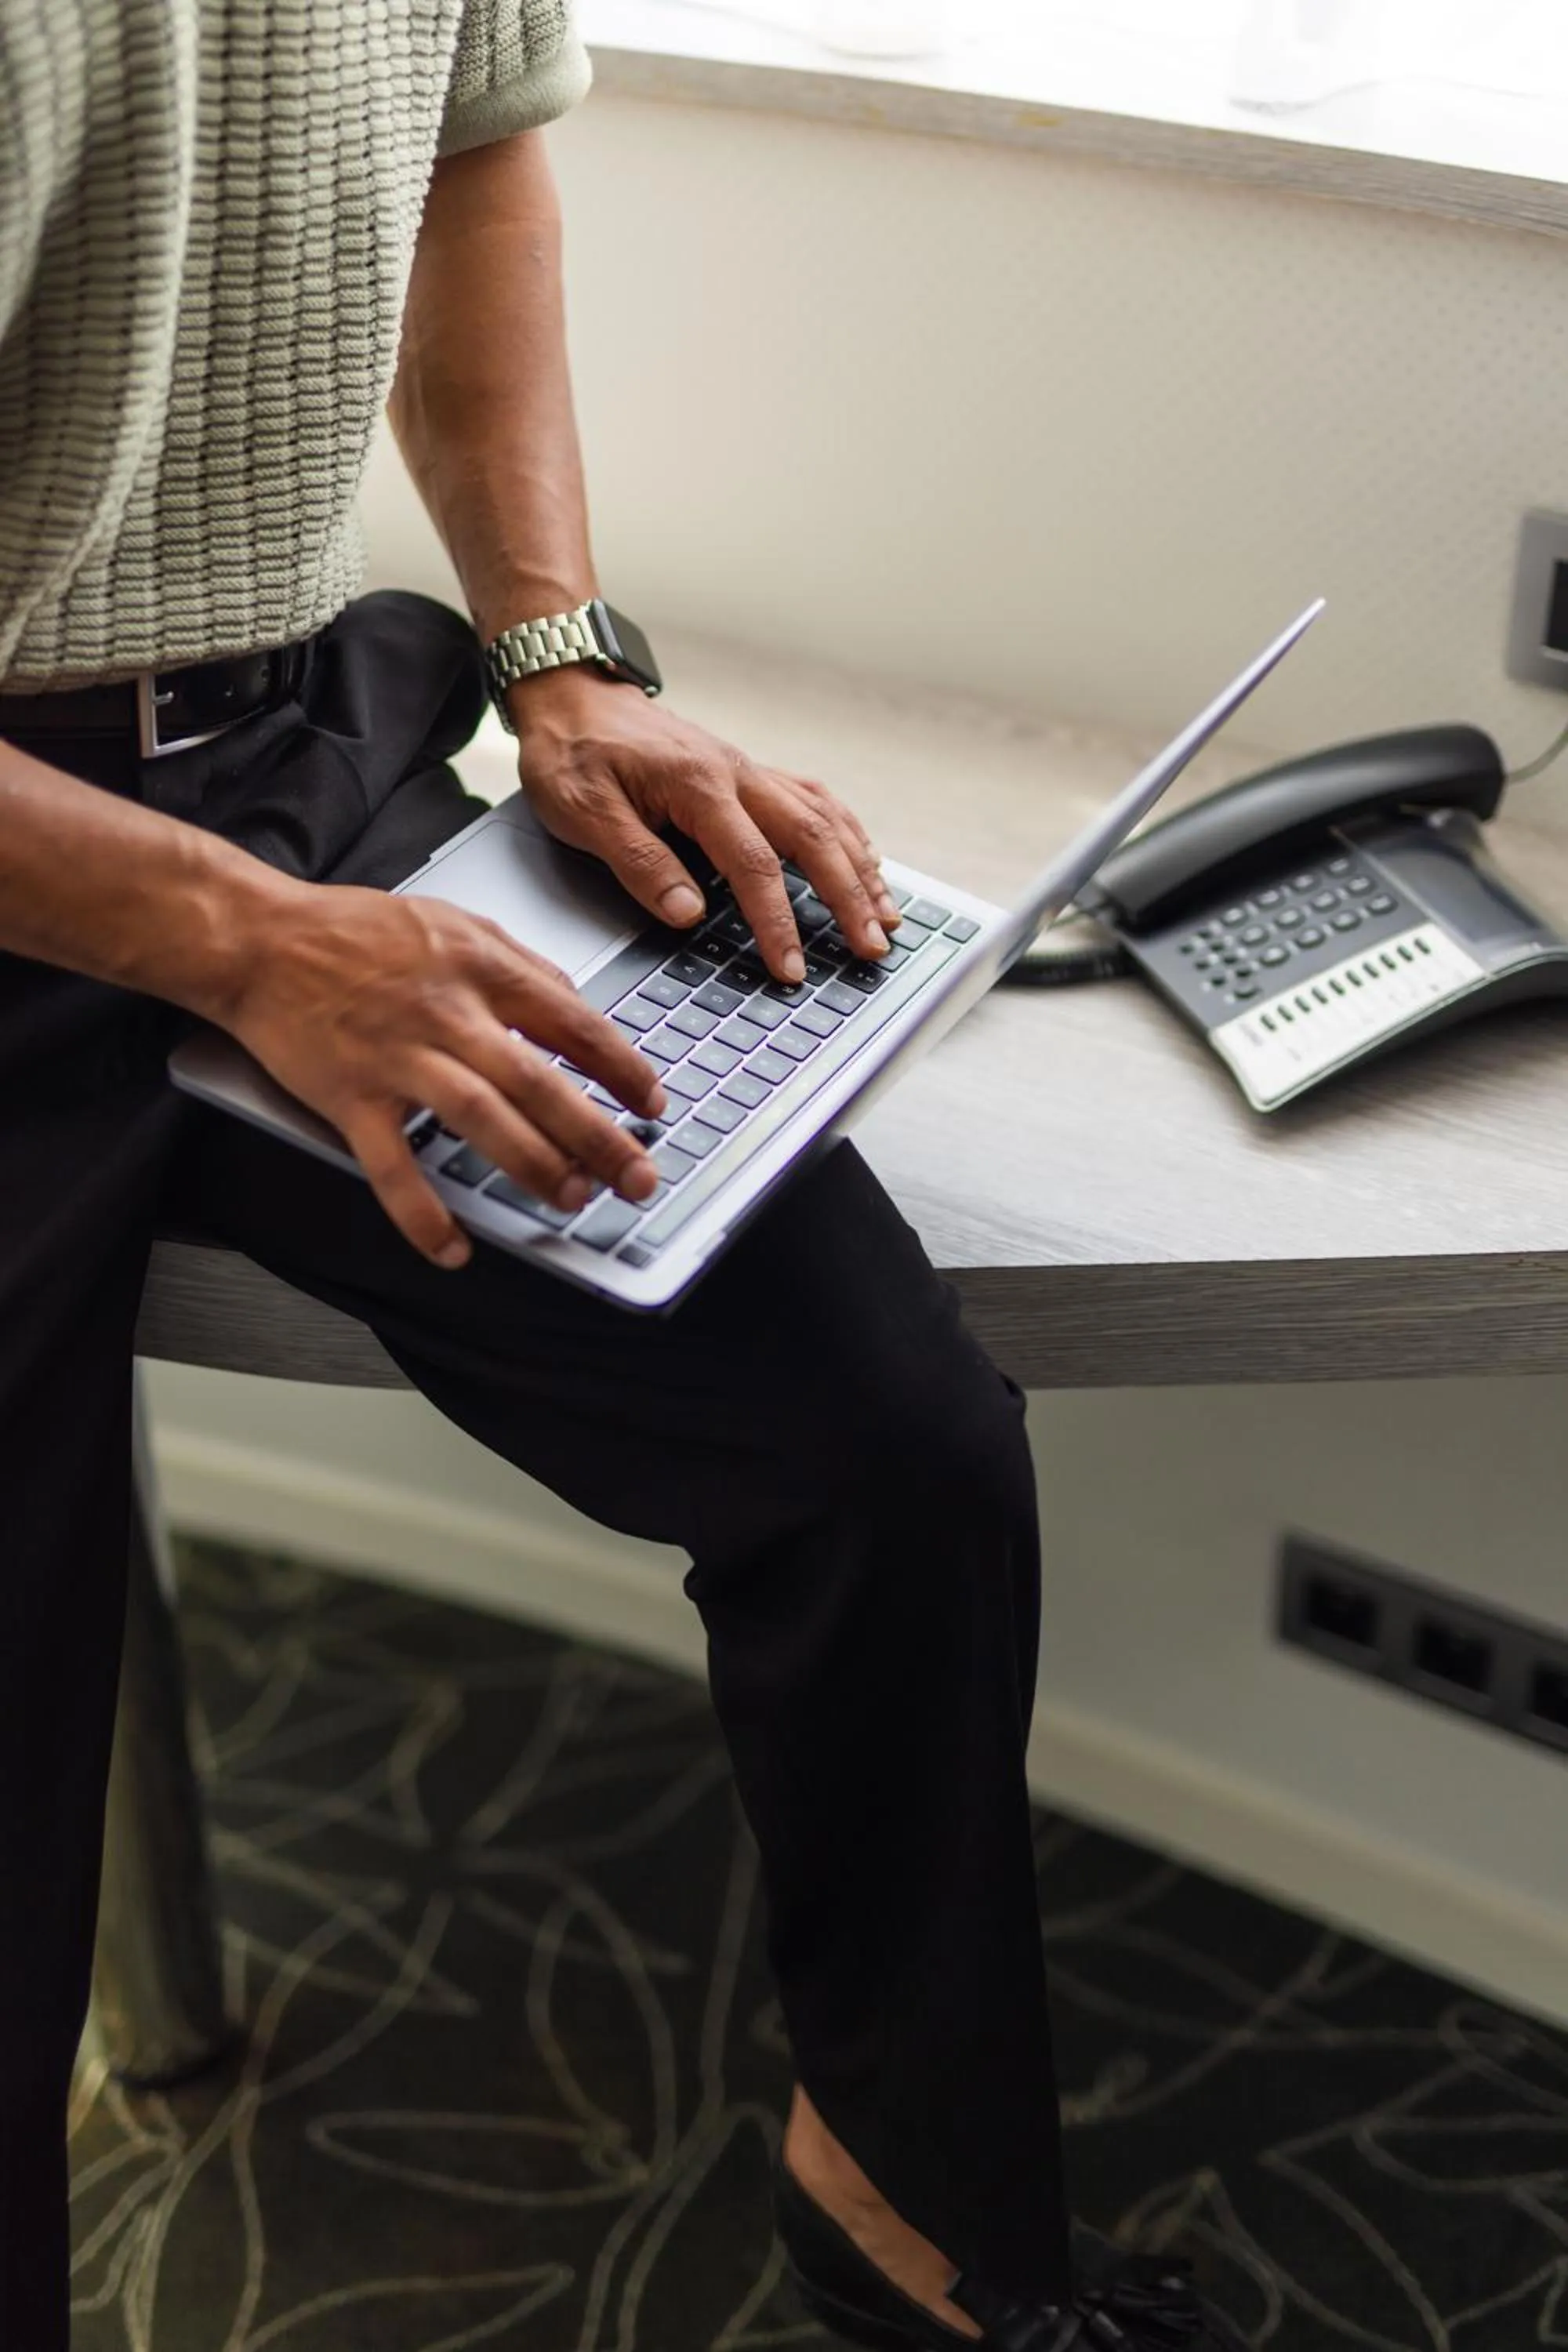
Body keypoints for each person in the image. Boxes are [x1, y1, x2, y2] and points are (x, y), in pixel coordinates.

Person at [0, 6, 1243, 2347]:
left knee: (887, 1446)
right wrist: (237, 948)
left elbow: (476, 164)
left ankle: (912, 2212)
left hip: (291, 748)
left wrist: (557, 660)